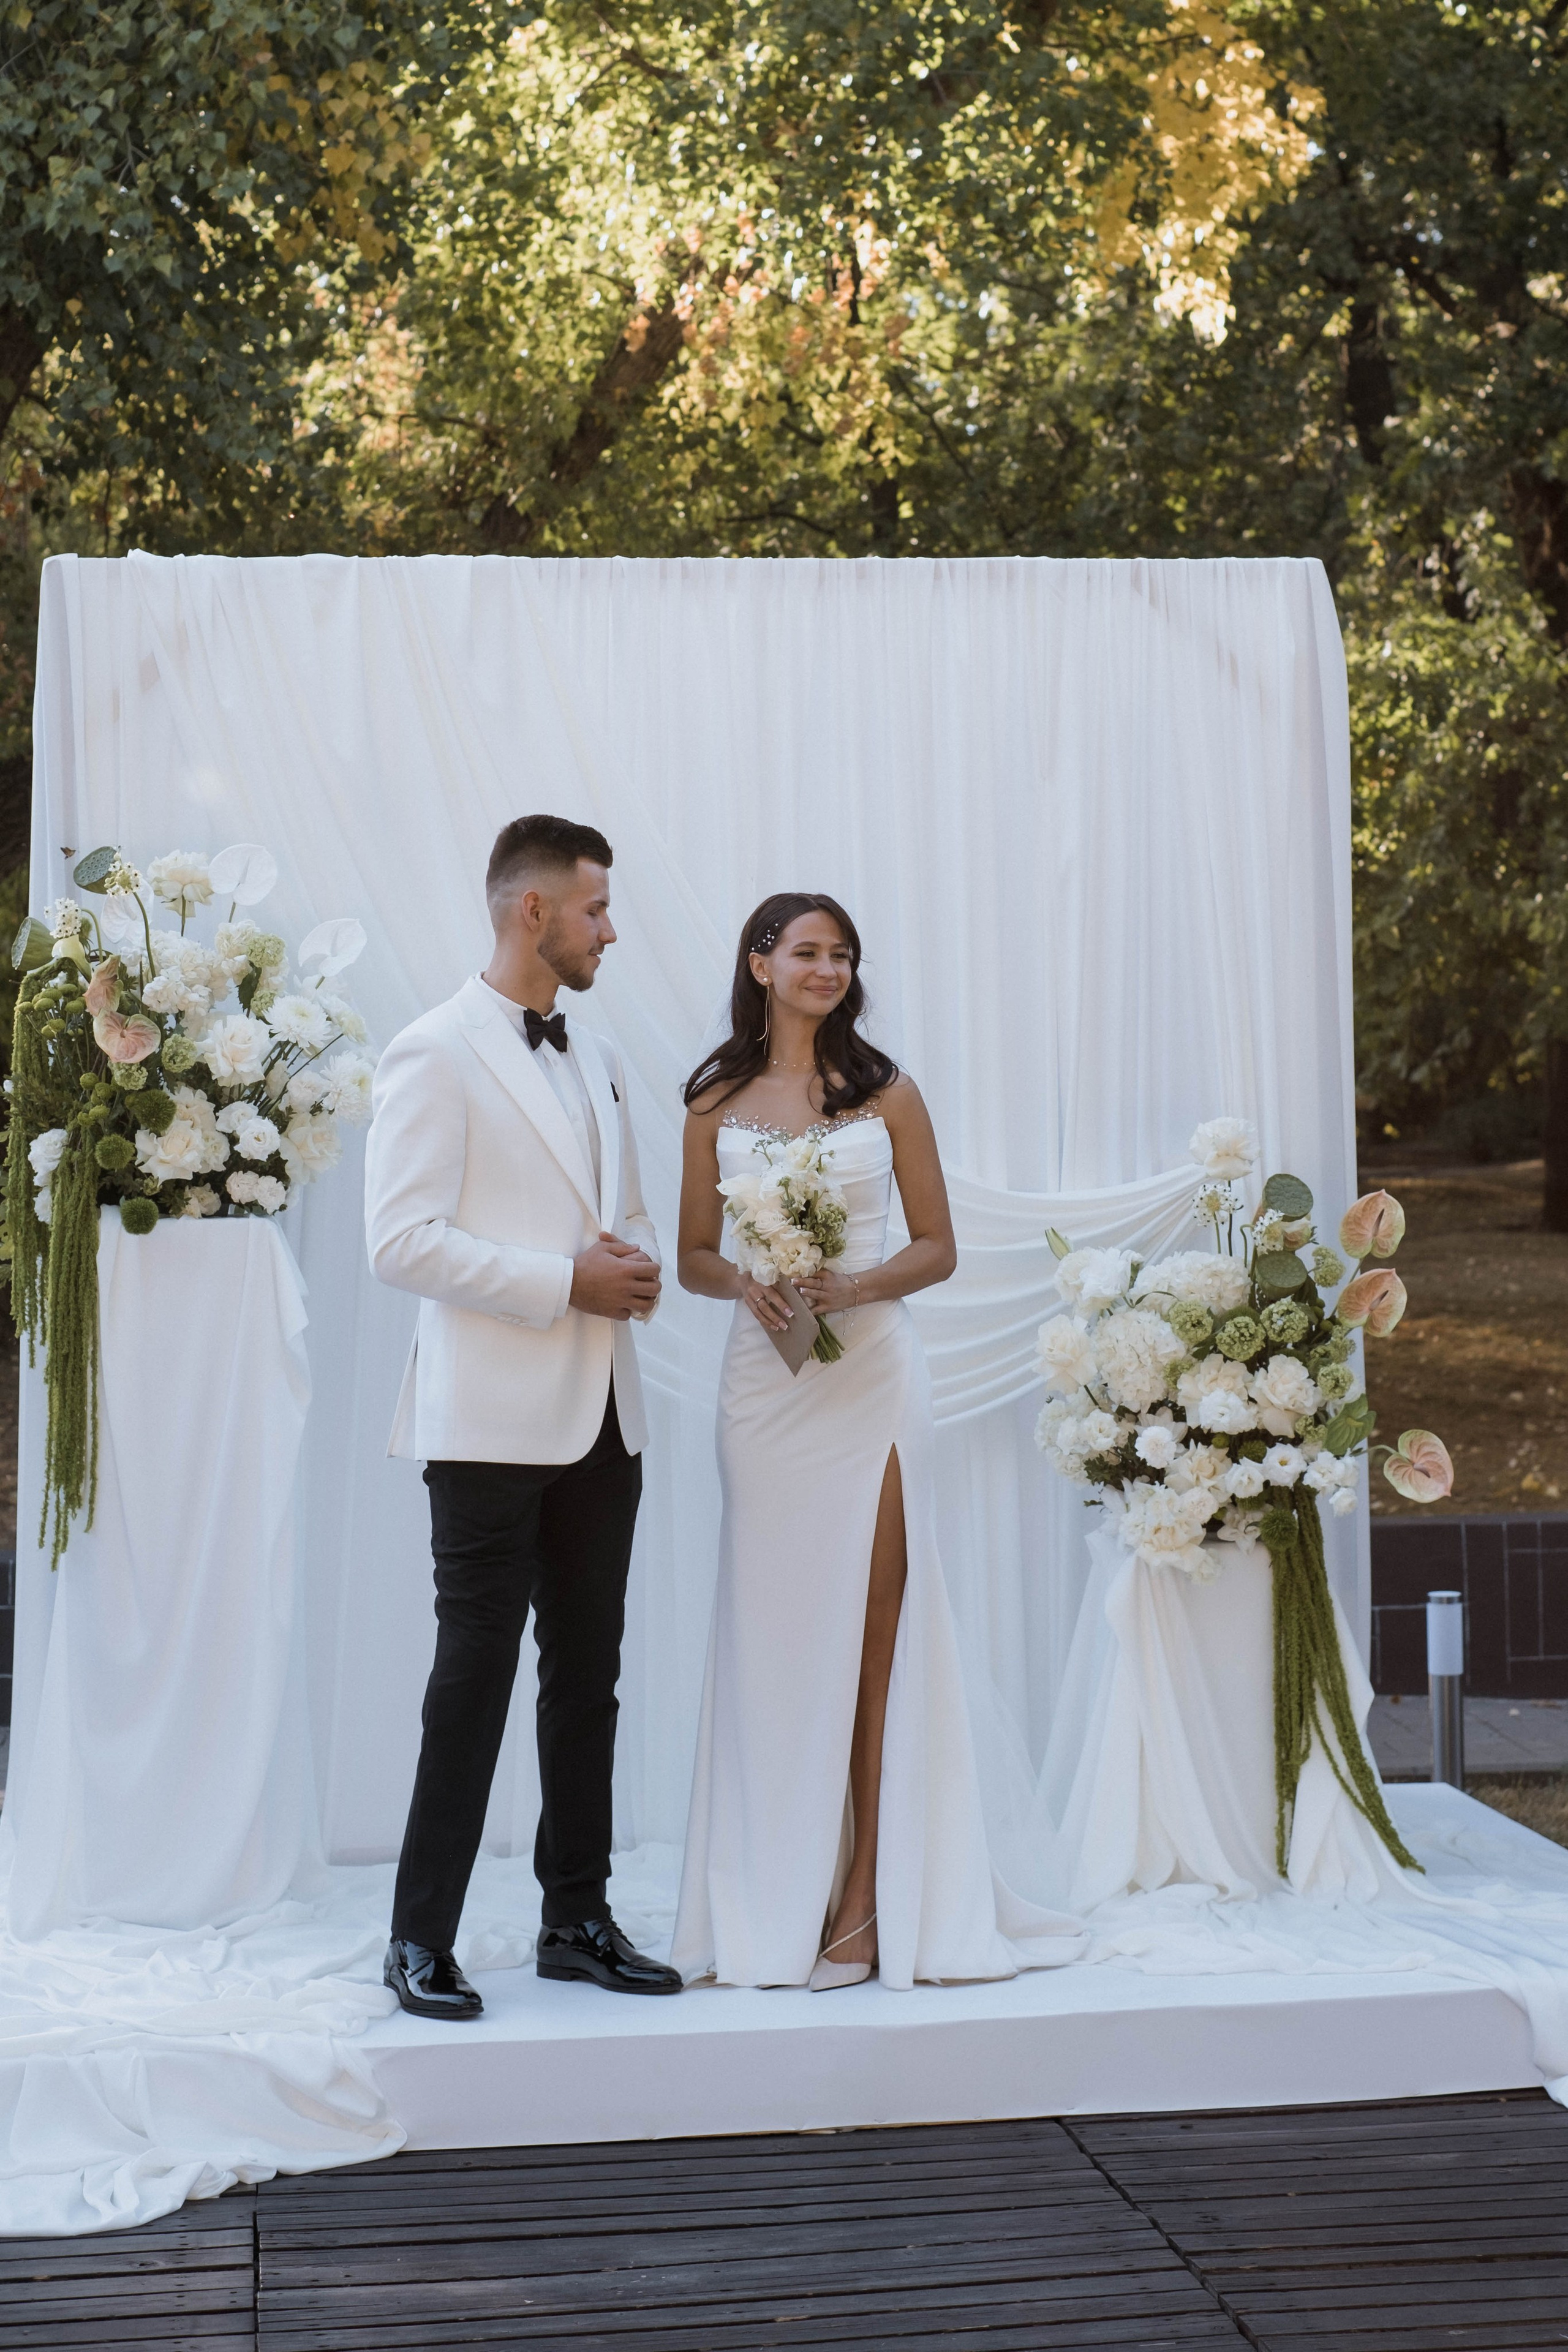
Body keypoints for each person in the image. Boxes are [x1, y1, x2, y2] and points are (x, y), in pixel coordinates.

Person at [669, 893, 1084, 1989]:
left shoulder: (886, 1092)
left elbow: (939, 1247)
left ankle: (866, 1897)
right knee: (772, 1629)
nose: (828, 969)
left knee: (876, 1626)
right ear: (760, 964)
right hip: (766, 1387)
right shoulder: (712, 1098)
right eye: (806, 952)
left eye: (842, 955)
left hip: (875, 1385)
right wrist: (750, 1283)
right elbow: (692, 1257)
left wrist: (850, 1283)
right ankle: (771, 1889)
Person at [364, 814, 682, 2018]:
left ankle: (576, 1918)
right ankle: (416, 1939)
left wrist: (631, 1265)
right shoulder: (433, 1050)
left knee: (586, 1675)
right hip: (488, 1421)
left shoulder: (594, 1055)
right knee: (471, 1676)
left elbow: (627, 1209)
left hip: (604, 1411)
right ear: (531, 911)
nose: (611, 930)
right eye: (597, 908)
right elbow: (398, 1242)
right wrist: (564, 1285)